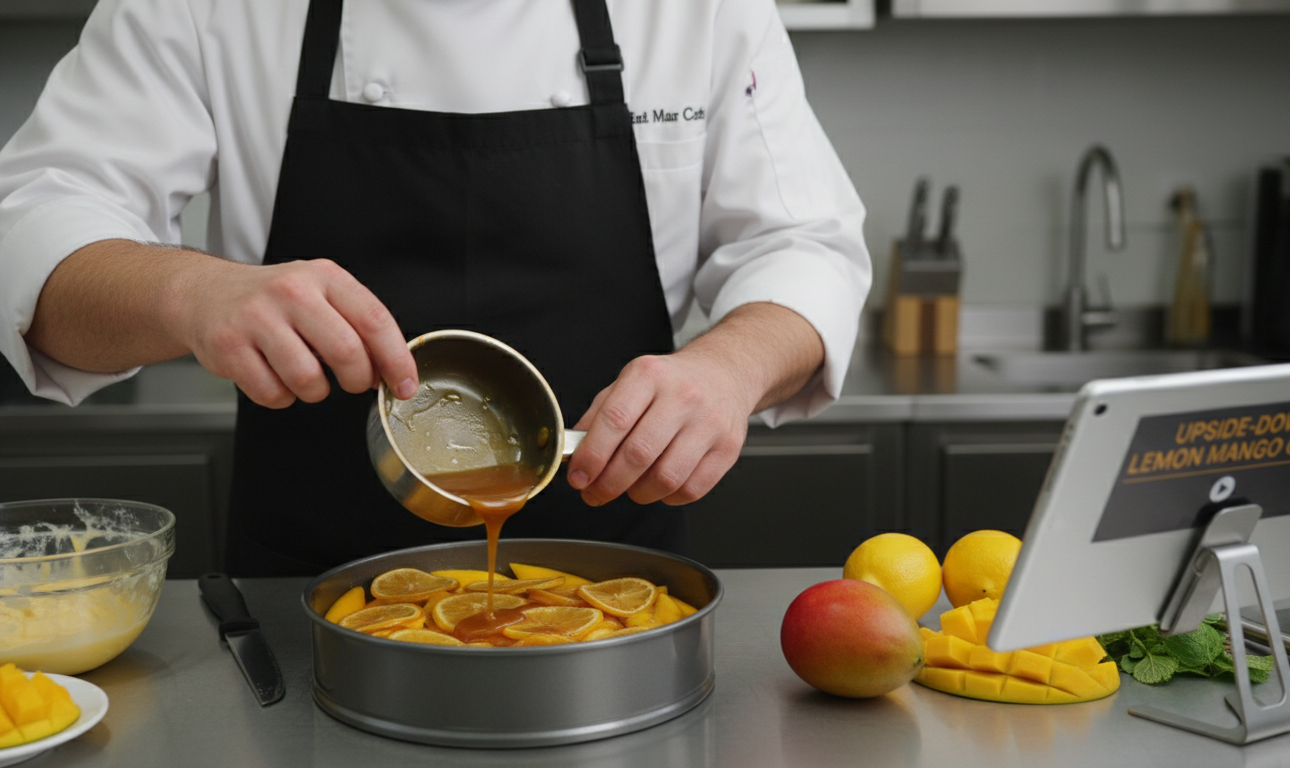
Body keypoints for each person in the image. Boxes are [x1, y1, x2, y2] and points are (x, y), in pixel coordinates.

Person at [0, 0, 870, 576]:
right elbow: (35, 229)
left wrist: (728, 367)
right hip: (302, 603)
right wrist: (189, 293)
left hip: (617, 603)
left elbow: (806, 245)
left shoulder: (697, 7)